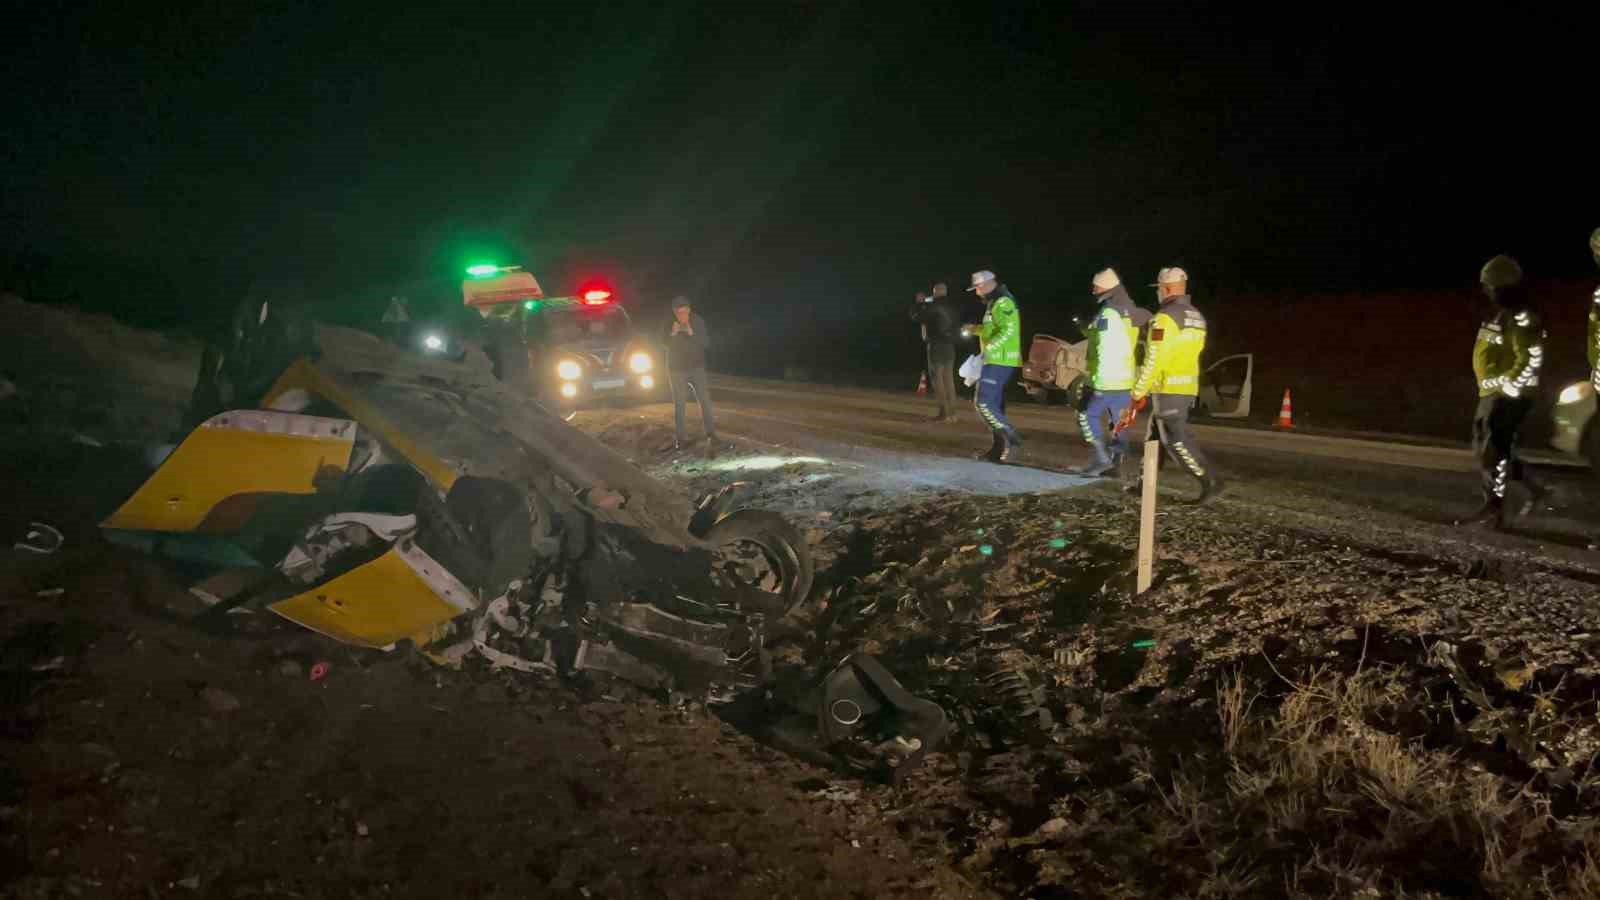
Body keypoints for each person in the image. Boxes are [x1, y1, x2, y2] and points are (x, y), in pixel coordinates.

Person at [1121, 267, 1223, 503]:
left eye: (1159, 289)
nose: (1158, 294)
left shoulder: (1164, 319)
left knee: (1176, 441)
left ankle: (1210, 479)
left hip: (1168, 387)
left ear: (1165, 289)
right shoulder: (1197, 317)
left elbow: (1155, 358)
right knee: (1154, 439)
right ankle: (1144, 485)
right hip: (1185, 386)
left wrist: (1138, 391)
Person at [1458, 255, 1546, 528]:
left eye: (1491, 286)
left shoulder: (1521, 316)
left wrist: (1510, 386)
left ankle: (1494, 509)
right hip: (1491, 393)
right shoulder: (1498, 314)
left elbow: (1531, 356)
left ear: (1503, 287)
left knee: (1492, 450)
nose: (1487, 291)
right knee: (1490, 449)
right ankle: (1534, 487)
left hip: (1509, 396)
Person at [1076, 268, 1148, 476]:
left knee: (1086, 416)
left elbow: (1106, 347)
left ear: (1106, 287)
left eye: (1096, 287)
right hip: (1125, 378)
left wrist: (1097, 382)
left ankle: (1101, 458)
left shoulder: (1109, 313)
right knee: (1119, 423)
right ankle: (1116, 464)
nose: (1093, 291)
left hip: (1107, 378)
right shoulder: (1131, 311)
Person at [960, 270, 1023, 462]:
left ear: (987, 284)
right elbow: (992, 329)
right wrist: (975, 329)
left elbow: (1008, 331)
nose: (977, 292)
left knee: (984, 403)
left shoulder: (1003, 302)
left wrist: (988, 349)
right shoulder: (994, 302)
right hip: (995, 358)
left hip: (1000, 360)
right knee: (994, 407)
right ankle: (998, 450)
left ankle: (1012, 437)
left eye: (978, 288)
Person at [664, 296, 719, 452]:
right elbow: (662, 342)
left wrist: (691, 333)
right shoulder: (668, 323)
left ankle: (711, 434)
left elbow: (706, 343)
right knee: (680, 404)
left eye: (686, 312)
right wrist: (672, 335)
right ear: (674, 312)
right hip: (676, 370)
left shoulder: (698, 321)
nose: (683, 316)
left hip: (697, 367)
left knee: (705, 400)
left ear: (690, 310)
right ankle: (680, 439)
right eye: (680, 312)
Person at [910, 282, 961, 421]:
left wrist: (919, 303)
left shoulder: (932, 306)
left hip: (936, 345)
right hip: (950, 346)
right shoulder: (953, 307)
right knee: (949, 379)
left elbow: (916, 317)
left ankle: (943, 413)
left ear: (936, 292)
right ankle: (953, 413)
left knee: (937, 379)